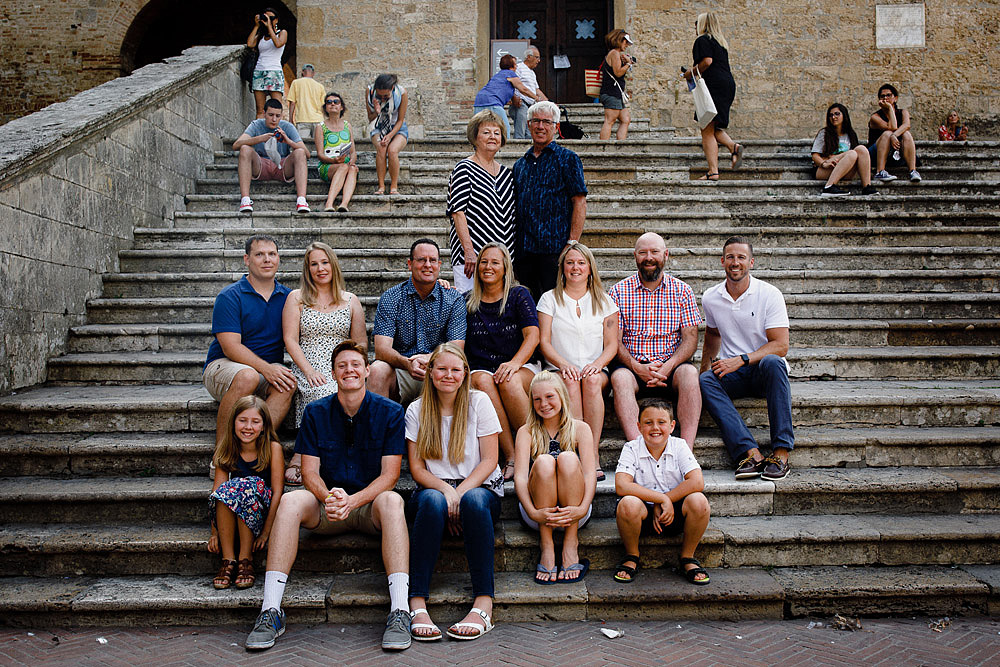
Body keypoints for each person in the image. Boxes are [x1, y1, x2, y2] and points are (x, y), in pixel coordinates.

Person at [245, 341, 412, 652]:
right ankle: (270, 610)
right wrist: (329, 498)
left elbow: (389, 477)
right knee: (291, 500)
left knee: (393, 501)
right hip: (328, 505)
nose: (349, 370)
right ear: (333, 373)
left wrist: (353, 500)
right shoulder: (315, 412)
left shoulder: (390, 413)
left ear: (366, 371)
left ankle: (400, 610)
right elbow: (309, 473)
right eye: (342, 366)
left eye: (355, 365)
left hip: (367, 505)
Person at [405, 343, 504, 641]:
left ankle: (483, 604)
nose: (448, 375)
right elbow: (418, 469)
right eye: (442, 368)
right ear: (430, 372)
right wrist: (447, 493)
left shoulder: (479, 402)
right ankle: (416, 602)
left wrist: (458, 493)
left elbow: (490, 460)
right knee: (434, 500)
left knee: (473, 501)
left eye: (455, 369)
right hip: (433, 491)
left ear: (465, 374)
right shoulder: (417, 409)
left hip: (478, 489)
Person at [699, 236, 794, 481]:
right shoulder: (711, 297)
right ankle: (751, 453)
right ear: (722, 261)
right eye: (730, 257)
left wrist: (742, 358)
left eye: (741, 257)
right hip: (735, 374)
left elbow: (781, 345)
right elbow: (712, 334)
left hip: (765, 372)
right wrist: (702, 371)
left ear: (751, 262)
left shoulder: (769, 294)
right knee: (706, 380)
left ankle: (781, 453)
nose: (735, 262)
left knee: (773, 362)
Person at [281, 241, 365, 483]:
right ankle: (302, 455)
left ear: (333, 265)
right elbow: (290, 339)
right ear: (307, 270)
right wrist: (307, 370)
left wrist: (350, 368)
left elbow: (359, 344)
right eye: (313, 264)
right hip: (308, 364)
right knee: (322, 391)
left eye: (324, 262)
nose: (320, 268)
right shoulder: (296, 298)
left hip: (341, 364)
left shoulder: (350, 300)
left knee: (348, 390)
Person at [609, 232, 702, 448]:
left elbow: (690, 340)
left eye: (654, 252)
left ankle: (686, 449)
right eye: (643, 253)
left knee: (690, 374)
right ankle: (638, 448)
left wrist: (669, 366)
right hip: (633, 367)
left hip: (671, 366)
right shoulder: (618, 291)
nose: (648, 257)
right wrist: (636, 366)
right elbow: (615, 340)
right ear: (635, 256)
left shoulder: (682, 291)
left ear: (665, 255)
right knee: (620, 379)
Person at [203, 235, 295, 449]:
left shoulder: (288, 297)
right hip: (223, 366)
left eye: (272, 254)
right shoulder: (230, 296)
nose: (267, 260)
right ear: (247, 259)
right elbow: (230, 347)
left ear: (278, 259)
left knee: (287, 383)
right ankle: (222, 456)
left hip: (264, 371)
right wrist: (266, 369)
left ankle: (257, 450)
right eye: (259, 254)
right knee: (248, 376)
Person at [537, 241, 618, 482]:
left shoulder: (605, 301)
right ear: (562, 268)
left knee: (592, 381)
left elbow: (612, 344)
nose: (575, 267)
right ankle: (574, 451)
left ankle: (591, 454)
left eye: (581, 263)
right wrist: (564, 364)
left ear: (590, 268)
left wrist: (597, 364)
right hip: (559, 368)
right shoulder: (549, 299)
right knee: (570, 382)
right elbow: (544, 342)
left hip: (596, 369)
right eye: (570, 262)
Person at [613, 398, 711, 585]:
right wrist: (659, 499)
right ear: (639, 426)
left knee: (699, 501)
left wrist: (666, 501)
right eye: (648, 423)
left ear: (672, 426)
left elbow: (697, 481)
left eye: (661, 422)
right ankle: (632, 556)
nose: (655, 428)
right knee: (627, 503)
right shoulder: (631, 448)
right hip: (642, 517)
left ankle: (687, 558)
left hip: (675, 515)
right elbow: (622, 486)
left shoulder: (679, 445)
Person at [513, 371, 596, 584]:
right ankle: (547, 545)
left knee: (568, 458)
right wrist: (533, 512)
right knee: (544, 461)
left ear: (562, 397)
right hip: (538, 512)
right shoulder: (526, 431)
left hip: (576, 511)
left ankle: (570, 542)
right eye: (537, 399)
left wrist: (583, 508)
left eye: (550, 397)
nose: (544, 404)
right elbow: (520, 478)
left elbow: (589, 474)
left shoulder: (581, 428)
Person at [465, 243, 539, 480]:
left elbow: (533, 336)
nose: (488, 267)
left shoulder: (519, 295)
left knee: (508, 380)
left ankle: (539, 450)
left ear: (506, 268)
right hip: (483, 369)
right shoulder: (468, 301)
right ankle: (512, 455)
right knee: (483, 381)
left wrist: (515, 363)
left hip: (521, 366)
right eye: (484, 262)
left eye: (495, 262)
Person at [369, 239, 467, 406]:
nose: (428, 265)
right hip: (402, 369)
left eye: (433, 260)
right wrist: (407, 364)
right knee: (377, 369)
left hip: (439, 369)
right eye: (421, 260)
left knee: (452, 367)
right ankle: (378, 431)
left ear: (439, 265)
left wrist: (429, 359)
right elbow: (381, 349)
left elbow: (456, 347)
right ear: (410, 264)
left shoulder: (453, 299)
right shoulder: (392, 298)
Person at [512, 100, 588, 302]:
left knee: (555, 306)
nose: (540, 126)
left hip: (554, 251)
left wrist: (572, 243)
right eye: (535, 121)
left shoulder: (567, 159)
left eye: (546, 122)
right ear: (528, 125)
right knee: (529, 307)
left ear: (556, 127)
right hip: (525, 252)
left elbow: (579, 201)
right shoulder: (520, 165)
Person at [208, 396, 284, 590]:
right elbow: (216, 492)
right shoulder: (226, 449)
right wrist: (214, 532)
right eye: (242, 420)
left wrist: (266, 533)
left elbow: (277, 492)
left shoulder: (272, 448)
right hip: (233, 506)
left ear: (264, 426)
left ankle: (246, 559)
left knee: (247, 486)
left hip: (261, 508)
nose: (248, 427)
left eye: (255, 421)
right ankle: (228, 560)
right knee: (229, 490)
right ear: (233, 422)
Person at [446, 110, 516, 293]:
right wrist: (469, 251)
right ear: (475, 137)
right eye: (486, 132)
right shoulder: (464, 169)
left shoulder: (507, 174)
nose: (492, 137)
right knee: (470, 308)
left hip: (501, 259)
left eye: (496, 133)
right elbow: (457, 212)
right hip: (472, 259)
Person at [682, 12, 743, 181]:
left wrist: (690, 73)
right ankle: (734, 147)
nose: (695, 27)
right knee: (713, 127)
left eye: (696, 24)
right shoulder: (721, 43)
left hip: (713, 86)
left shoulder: (702, 40)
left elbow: (707, 62)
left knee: (706, 129)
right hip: (727, 85)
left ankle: (713, 171)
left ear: (702, 24)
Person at [233, 98, 310, 214]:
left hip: (282, 165)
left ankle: (301, 200)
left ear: (282, 116)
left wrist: (288, 141)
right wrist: (259, 138)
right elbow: (236, 145)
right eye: (270, 115)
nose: (274, 119)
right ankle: (245, 199)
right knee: (244, 149)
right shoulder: (256, 124)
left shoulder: (287, 126)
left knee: (299, 152)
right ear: (264, 114)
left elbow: (307, 154)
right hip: (261, 164)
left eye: (278, 116)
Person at [811, 103, 877, 198]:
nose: (833, 117)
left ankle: (867, 186)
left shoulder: (850, 134)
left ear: (844, 115)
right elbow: (815, 155)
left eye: (837, 114)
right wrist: (824, 163)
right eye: (831, 115)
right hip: (825, 168)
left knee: (861, 149)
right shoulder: (824, 133)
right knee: (852, 153)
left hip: (845, 168)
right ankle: (829, 187)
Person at [473, 54, 540, 139]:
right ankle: (505, 149)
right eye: (515, 64)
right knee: (504, 128)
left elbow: (501, 91)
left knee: (480, 129)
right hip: (493, 103)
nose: (516, 66)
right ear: (511, 66)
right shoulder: (510, 73)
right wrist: (537, 98)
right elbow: (523, 89)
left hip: (478, 101)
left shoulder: (498, 75)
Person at [365, 74, 408, 195]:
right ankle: (381, 186)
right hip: (378, 125)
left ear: (393, 89)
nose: (383, 98)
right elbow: (370, 118)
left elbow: (400, 120)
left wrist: (389, 136)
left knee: (392, 150)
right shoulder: (369, 91)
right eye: (380, 95)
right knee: (381, 148)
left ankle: (394, 187)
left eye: (386, 96)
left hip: (397, 128)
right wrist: (376, 111)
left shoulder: (402, 93)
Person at [868, 83, 921, 183]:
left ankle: (913, 171)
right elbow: (892, 127)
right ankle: (880, 171)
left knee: (906, 134)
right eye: (882, 96)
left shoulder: (903, 112)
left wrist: (894, 135)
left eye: (888, 95)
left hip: (896, 152)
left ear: (895, 98)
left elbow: (907, 125)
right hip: (876, 154)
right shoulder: (875, 117)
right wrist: (890, 109)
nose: (885, 98)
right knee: (887, 134)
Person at [315, 92, 359, 212]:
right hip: (327, 165)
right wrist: (333, 160)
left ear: (341, 107)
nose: (332, 104)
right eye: (329, 102)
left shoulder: (347, 125)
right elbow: (320, 154)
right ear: (325, 107)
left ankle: (344, 204)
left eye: (336, 102)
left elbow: (353, 151)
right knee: (343, 167)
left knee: (352, 168)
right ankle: (329, 203)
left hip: (344, 163)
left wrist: (352, 161)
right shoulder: (320, 127)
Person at [247, 8, 287, 119]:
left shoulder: (282, 33)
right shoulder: (261, 35)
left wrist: (270, 26)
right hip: (259, 71)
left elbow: (278, 44)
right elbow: (250, 44)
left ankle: (277, 134)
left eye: (272, 18)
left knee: (277, 108)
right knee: (260, 109)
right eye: (266, 17)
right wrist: (257, 26)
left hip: (274, 71)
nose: (268, 20)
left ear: (277, 20)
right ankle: (260, 134)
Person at [598, 29, 633, 141]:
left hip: (616, 93)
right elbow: (618, 72)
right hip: (611, 93)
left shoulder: (615, 54)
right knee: (610, 120)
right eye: (625, 42)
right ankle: (603, 147)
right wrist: (628, 64)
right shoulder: (614, 53)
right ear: (619, 40)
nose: (626, 45)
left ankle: (620, 145)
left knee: (625, 119)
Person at [508, 46, 548, 140]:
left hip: (530, 105)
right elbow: (512, 84)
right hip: (521, 103)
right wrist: (514, 97)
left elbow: (537, 90)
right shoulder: (519, 68)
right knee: (520, 133)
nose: (539, 60)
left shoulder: (532, 73)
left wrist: (548, 103)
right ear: (529, 57)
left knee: (529, 134)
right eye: (537, 57)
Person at [286, 64, 325, 140]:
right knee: (318, 145)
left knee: (303, 145)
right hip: (318, 120)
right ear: (313, 73)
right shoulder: (320, 86)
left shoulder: (296, 83)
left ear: (303, 72)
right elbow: (323, 105)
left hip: (302, 119)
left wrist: (290, 119)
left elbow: (292, 103)